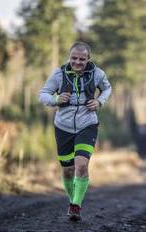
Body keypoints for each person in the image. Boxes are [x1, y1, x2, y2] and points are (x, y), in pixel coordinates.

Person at [39, 41, 112, 221]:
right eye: (74, 58)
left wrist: (99, 102)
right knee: (68, 170)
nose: (78, 62)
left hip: (87, 124)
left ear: (88, 59)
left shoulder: (97, 74)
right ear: (69, 57)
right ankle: (72, 199)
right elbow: (43, 94)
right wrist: (56, 98)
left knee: (81, 165)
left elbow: (107, 89)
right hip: (63, 127)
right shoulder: (59, 74)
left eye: (82, 59)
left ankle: (76, 205)